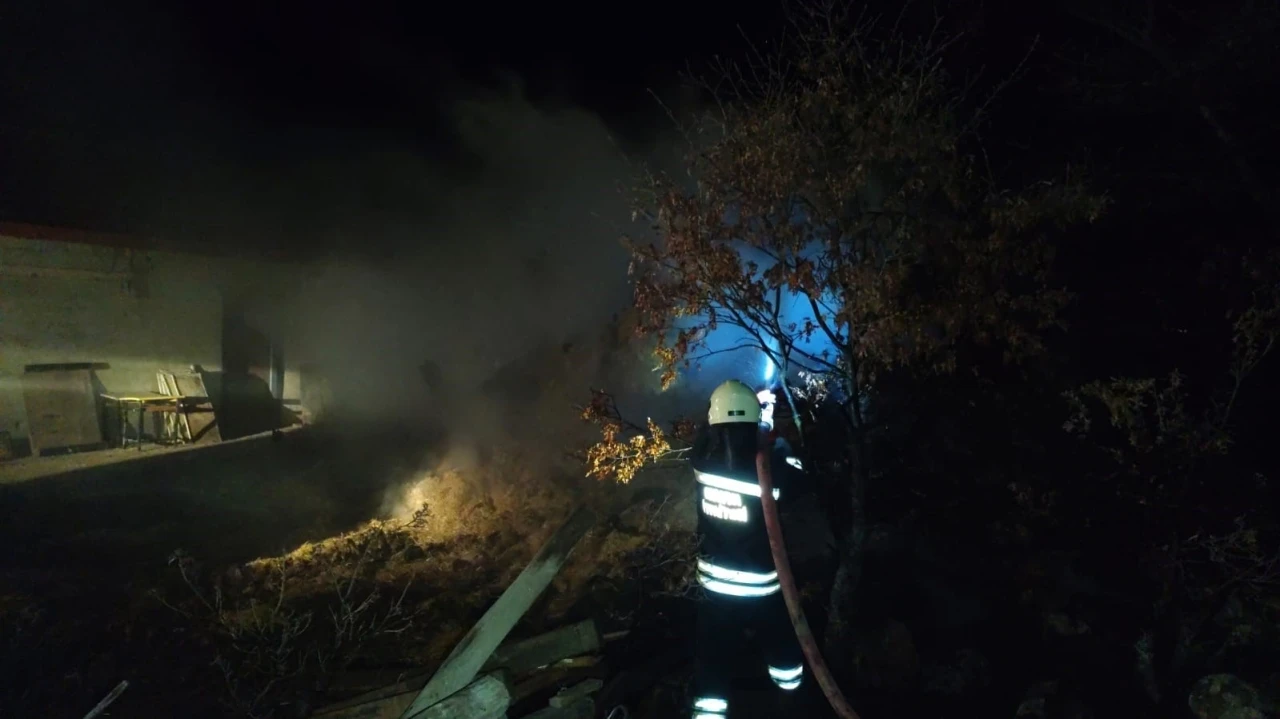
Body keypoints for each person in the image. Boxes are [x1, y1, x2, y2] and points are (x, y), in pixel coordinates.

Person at [689, 379, 807, 719]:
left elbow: (714, 430)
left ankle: (708, 714)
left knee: (712, 658)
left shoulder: (701, 458)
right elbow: (799, 477)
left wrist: (751, 410)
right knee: (781, 646)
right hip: (762, 587)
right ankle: (792, 703)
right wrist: (770, 429)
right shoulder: (773, 464)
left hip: (714, 587)